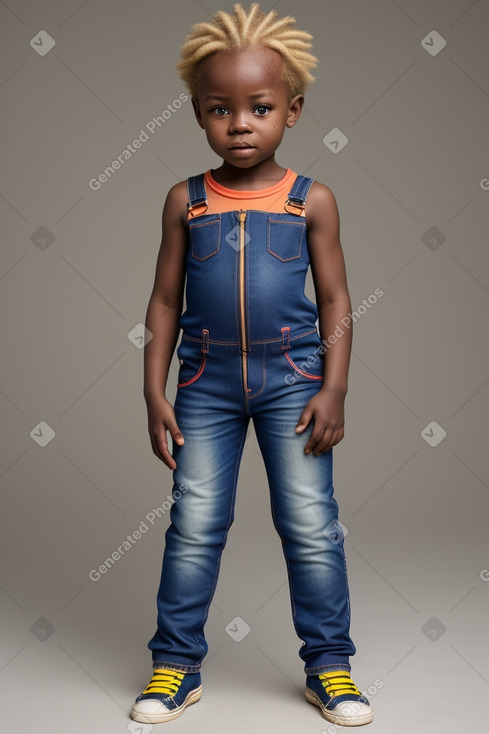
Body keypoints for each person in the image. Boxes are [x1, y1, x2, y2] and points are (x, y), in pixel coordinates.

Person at [131, 3, 374, 727]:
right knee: (195, 524)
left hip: (293, 383)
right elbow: (164, 302)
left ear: (291, 111)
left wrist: (334, 387)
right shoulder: (187, 201)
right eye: (219, 109)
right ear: (199, 115)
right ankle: (175, 666)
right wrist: (153, 390)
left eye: (259, 107)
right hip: (203, 384)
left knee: (308, 524)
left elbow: (335, 299)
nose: (239, 123)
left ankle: (329, 668)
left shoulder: (312, 201)